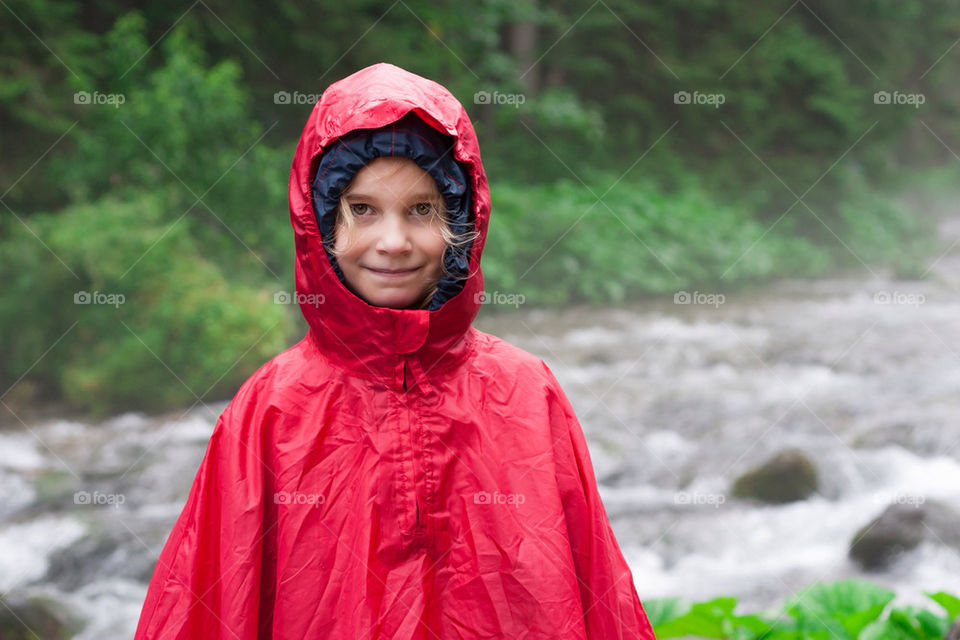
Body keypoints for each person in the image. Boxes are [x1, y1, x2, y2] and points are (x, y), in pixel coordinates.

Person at [134, 62, 656, 640]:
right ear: (322, 222)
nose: (393, 242)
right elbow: (204, 608)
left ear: (459, 220)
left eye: (421, 210)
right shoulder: (268, 412)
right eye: (362, 209)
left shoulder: (529, 394)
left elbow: (599, 602)